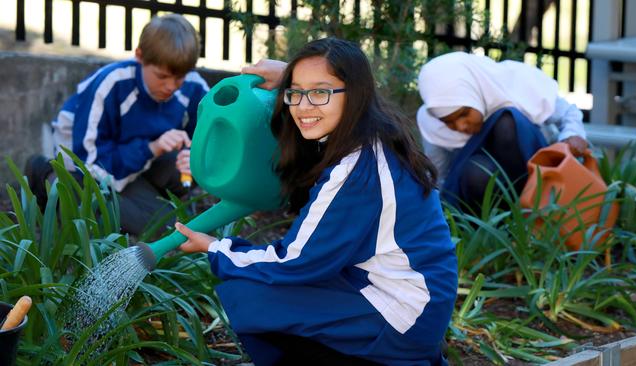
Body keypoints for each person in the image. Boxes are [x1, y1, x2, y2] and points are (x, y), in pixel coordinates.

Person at [174, 38, 458, 365]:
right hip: (412, 304)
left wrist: (215, 247)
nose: (303, 107)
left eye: (320, 92)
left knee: (250, 293)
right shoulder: (371, 139)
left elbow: (296, 260)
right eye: (295, 92)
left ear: (355, 95)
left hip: (402, 321)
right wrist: (291, 79)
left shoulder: (356, 170)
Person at [25, 14, 210, 235]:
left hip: (136, 162)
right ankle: (47, 174)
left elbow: (207, 139)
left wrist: (191, 156)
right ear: (139, 56)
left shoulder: (193, 86)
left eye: (179, 78)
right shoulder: (110, 84)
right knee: (155, 227)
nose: (171, 86)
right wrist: (151, 148)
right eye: (162, 76)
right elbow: (89, 162)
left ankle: (135, 201)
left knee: (168, 220)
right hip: (87, 166)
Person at [416, 52, 588, 210]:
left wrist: (573, 134)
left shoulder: (513, 82)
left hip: (534, 174)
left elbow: (568, 113)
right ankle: (500, 229)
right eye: (449, 122)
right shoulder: (431, 123)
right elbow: (438, 173)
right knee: (477, 171)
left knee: (506, 121)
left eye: (464, 114)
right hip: (480, 193)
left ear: (474, 92)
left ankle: (538, 205)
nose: (461, 126)